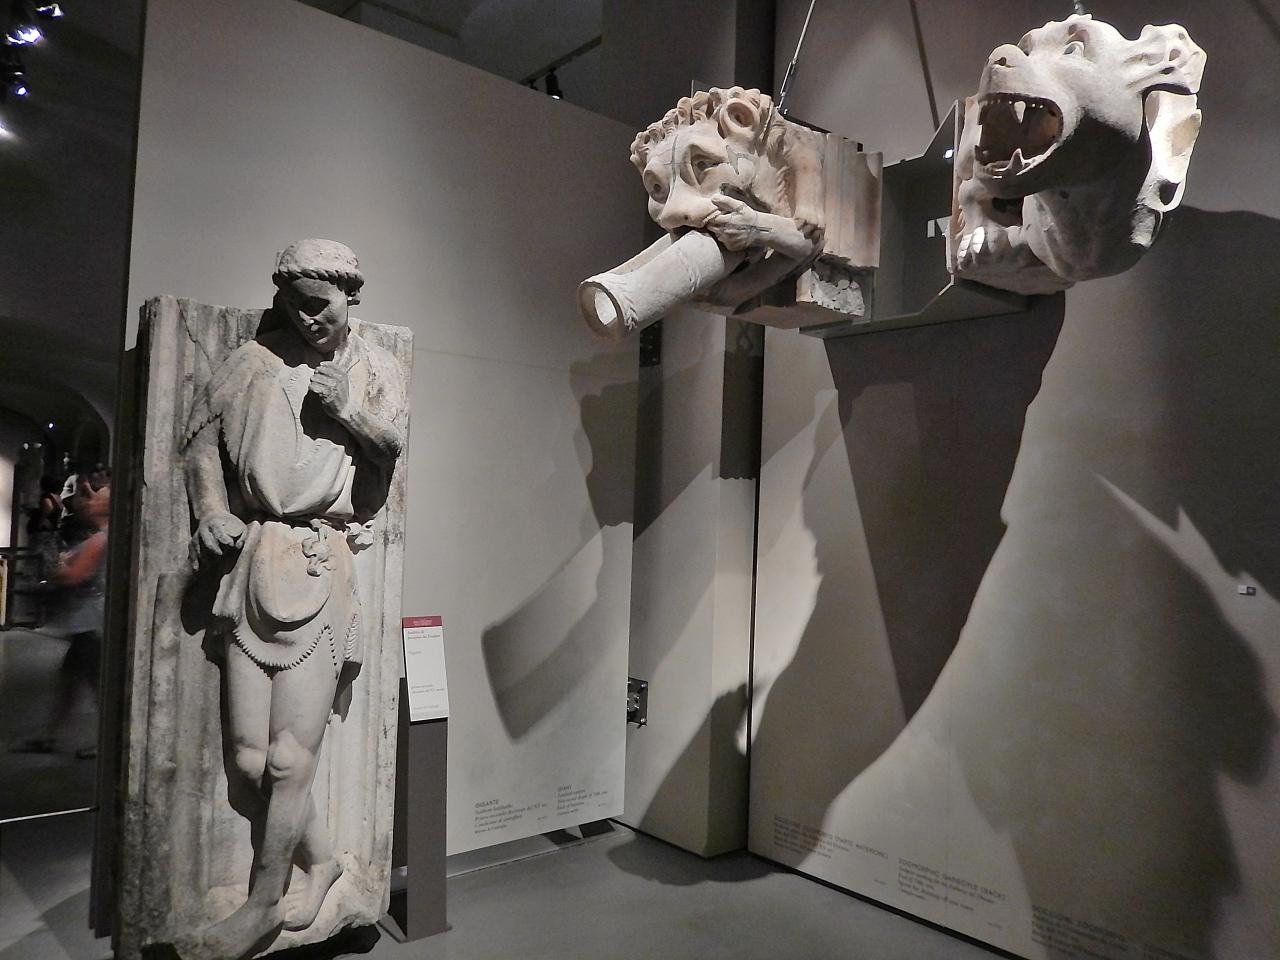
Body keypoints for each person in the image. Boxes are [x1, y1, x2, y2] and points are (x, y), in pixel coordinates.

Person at [181, 239, 404, 958]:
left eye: (320, 305)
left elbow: (390, 448)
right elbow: (200, 444)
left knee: (288, 758)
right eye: (294, 305)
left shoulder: (374, 367)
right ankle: (323, 858)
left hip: (318, 559)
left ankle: (263, 902)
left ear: (349, 298)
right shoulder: (252, 362)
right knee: (250, 761)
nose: (308, 318)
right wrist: (211, 510)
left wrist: (349, 412)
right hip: (255, 559)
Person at [15, 485, 108, 757]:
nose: (89, 502)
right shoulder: (103, 538)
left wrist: (60, 567)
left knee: (94, 684)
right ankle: (50, 735)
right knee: (72, 682)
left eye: (95, 498)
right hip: (89, 621)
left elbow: (76, 575)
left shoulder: (99, 540)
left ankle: (107, 742)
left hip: (90, 623)